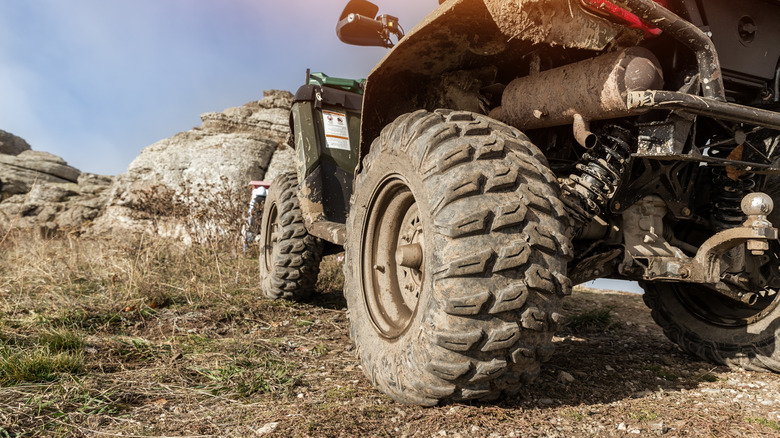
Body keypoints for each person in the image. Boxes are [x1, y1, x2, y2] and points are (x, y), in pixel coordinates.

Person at [244, 180, 271, 251]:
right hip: (262, 224)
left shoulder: (255, 200)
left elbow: (250, 212)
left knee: (249, 238)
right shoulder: (265, 201)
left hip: (253, 223)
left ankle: (246, 250)